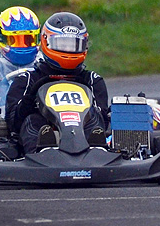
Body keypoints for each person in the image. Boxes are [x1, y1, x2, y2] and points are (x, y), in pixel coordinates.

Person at [6, 12, 109, 154]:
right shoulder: (27, 79)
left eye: (74, 45)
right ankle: (42, 149)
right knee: (32, 120)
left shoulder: (92, 80)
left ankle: (97, 149)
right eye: (62, 44)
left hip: (84, 136)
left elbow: (103, 118)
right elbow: (13, 123)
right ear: (45, 41)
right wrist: (30, 99)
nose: (68, 50)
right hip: (41, 139)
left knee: (94, 118)